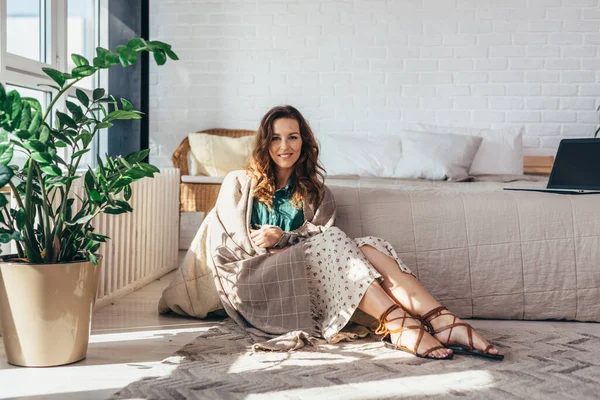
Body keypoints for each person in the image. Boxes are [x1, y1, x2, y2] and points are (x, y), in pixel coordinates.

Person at [209, 105, 503, 360]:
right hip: (261, 280)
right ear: (265, 143)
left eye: (292, 137)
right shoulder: (239, 183)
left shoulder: (318, 194)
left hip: (306, 277)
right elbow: (230, 244)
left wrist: (283, 240)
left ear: (304, 142)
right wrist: (283, 246)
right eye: (275, 138)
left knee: (369, 246)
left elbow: (319, 247)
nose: (284, 146)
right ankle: (402, 324)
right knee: (336, 238)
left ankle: (441, 320)